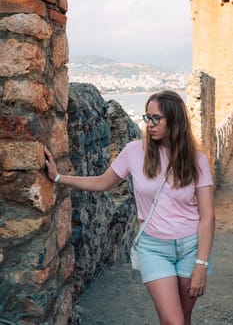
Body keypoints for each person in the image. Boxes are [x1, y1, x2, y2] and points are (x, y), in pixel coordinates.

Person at [44, 90, 215, 325]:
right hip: (154, 248)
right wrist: (58, 178)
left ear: (174, 121)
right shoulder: (134, 151)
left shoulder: (197, 161)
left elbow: (207, 217)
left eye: (156, 118)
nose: (150, 124)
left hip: (190, 248)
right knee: (173, 320)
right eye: (147, 117)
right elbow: (102, 182)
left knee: (184, 318)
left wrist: (201, 265)